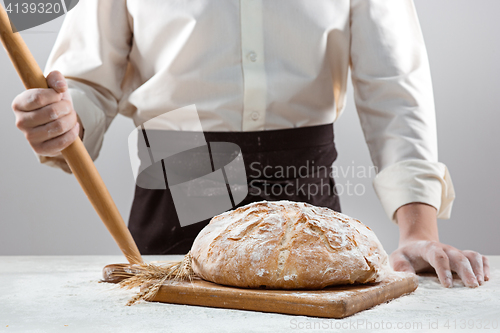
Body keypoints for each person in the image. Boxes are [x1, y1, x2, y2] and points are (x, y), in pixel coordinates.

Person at [11, 0, 489, 288]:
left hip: (307, 204)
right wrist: (64, 119)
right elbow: (88, 87)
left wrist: (418, 233)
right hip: (182, 175)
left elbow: (394, 87)